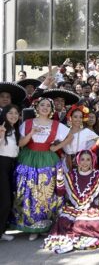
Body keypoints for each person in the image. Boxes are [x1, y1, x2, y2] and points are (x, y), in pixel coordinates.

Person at [11, 97, 72, 241]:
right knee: (28, 192)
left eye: (48, 106)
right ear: (36, 108)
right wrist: (31, 133)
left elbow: (70, 137)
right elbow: (20, 143)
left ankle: (44, 226)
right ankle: (30, 226)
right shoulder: (27, 123)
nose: (45, 107)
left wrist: (56, 147)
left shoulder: (57, 125)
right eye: (42, 105)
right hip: (28, 158)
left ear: (51, 110)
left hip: (48, 159)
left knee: (45, 194)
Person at [42, 150, 99, 253]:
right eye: (82, 159)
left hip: (91, 208)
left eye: (88, 160)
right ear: (78, 161)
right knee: (63, 222)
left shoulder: (97, 175)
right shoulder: (71, 175)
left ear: (92, 161)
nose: (85, 162)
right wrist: (59, 178)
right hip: (74, 208)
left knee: (94, 224)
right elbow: (60, 193)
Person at [0, 105, 20, 241]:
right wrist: (1, 135)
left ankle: (2, 231)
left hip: (10, 166)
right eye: (10, 113)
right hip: (1, 165)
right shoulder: (2, 128)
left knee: (8, 201)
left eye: (16, 113)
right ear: (5, 114)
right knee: (5, 202)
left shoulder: (15, 130)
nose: (13, 115)